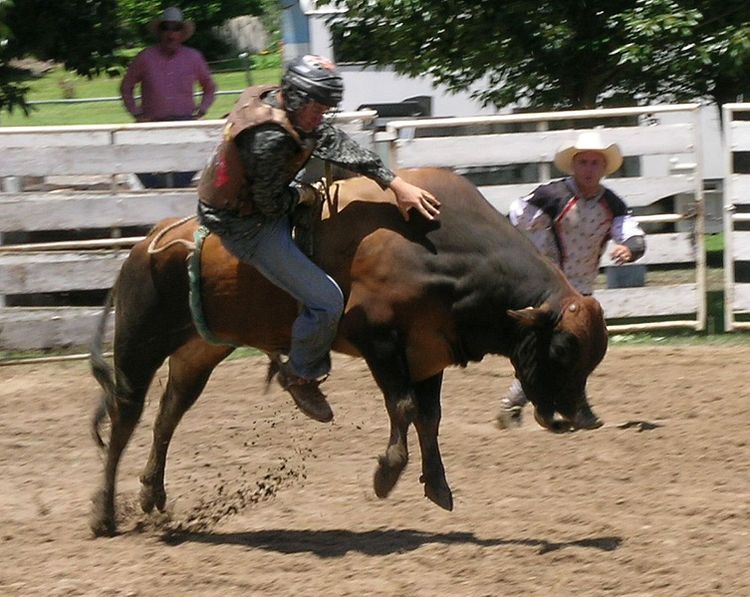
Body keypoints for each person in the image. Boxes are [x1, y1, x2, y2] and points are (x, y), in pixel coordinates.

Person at [196, 54, 441, 423]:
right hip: (244, 223)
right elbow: (268, 204)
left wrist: (395, 183)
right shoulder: (269, 139)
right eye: (315, 105)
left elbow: (335, 142)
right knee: (327, 300)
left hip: (252, 194)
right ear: (293, 97)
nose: (320, 114)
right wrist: (305, 195)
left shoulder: (281, 107)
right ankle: (299, 373)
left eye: (326, 107)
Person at [496, 130, 646, 429]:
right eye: (584, 162)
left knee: (573, 349)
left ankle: (525, 406)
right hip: (546, 287)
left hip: (581, 289)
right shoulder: (551, 196)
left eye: (595, 163)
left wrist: (628, 248)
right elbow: (512, 220)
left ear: (603, 168)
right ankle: (568, 406)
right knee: (569, 348)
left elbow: (633, 235)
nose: (589, 169)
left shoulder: (612, 204)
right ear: (574, 166)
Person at [120, 6, 216, 188]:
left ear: (182, 33)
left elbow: (209, 87)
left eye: (176, 28)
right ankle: (155, 188)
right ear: (160, 31)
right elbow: (126, 87)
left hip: (185, 121)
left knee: (206, 151)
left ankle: (177, 186)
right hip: (152, 123)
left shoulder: (193, 57)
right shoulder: (145, 58)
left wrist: (202, 109)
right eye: (166, 28)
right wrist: (137, 114)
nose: (171, 34)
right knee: (130, 154)